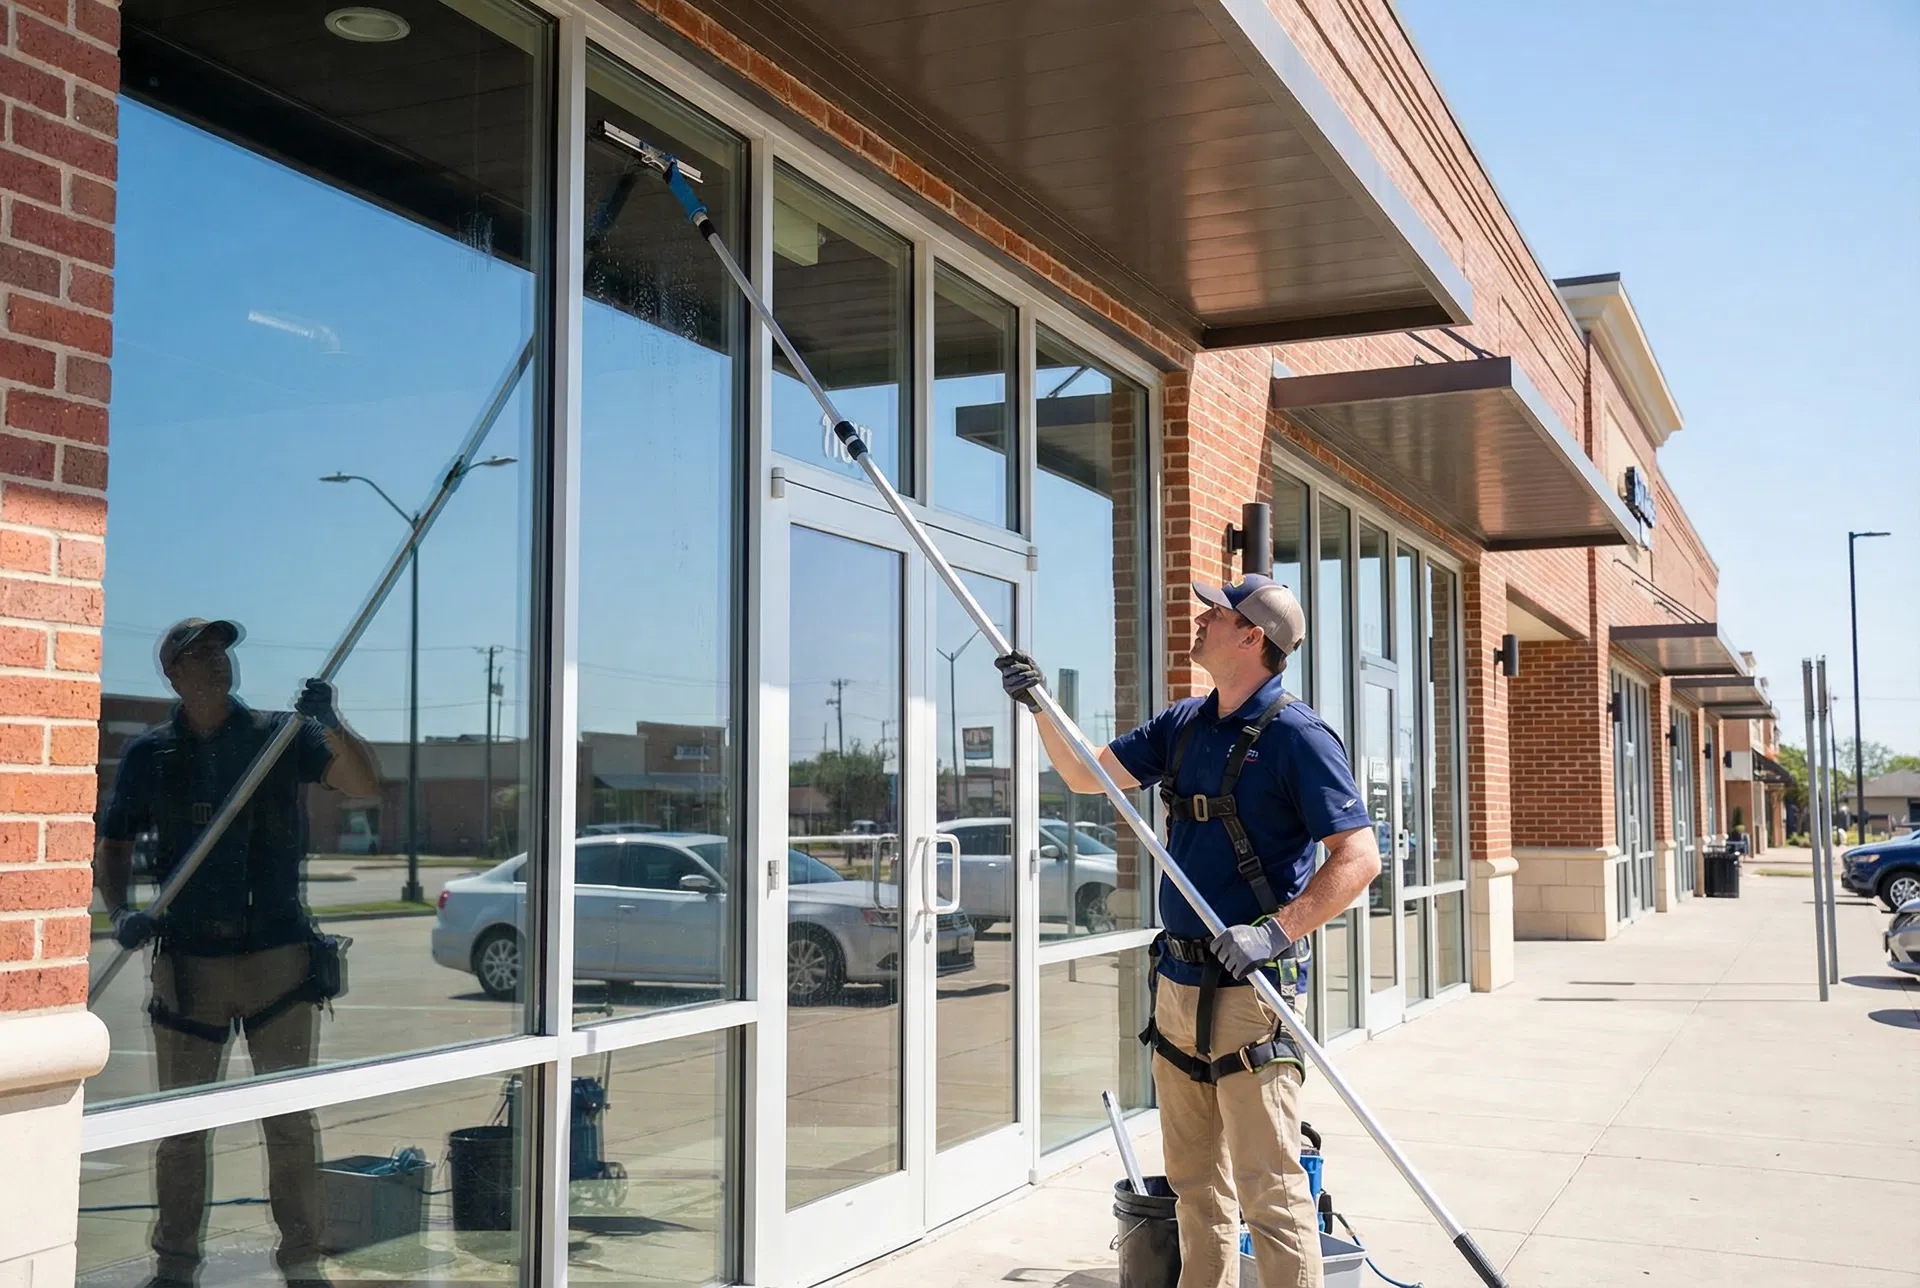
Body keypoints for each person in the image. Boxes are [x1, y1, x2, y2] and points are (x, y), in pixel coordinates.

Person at [998, 574, 1380, 1288]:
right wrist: (1038, 705)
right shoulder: (1183, 725)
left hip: (1251, 993)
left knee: (1269, 1188)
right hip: (1177, 985)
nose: (1201, 618)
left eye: (1219, 611)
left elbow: (1359, 857)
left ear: (1252, 637)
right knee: (1195, 1186)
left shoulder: (1299, 738)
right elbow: (1088, 775)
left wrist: (1274, 932)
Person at [95, 618, 384, 1288]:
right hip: (187, 968)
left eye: (222, 651)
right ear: (173, 673)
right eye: (199, 654)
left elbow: (365, 785)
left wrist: (331, 723)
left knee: (287, 1120)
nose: (216, 662)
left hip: (277, 961)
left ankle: (302, 1260)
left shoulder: (279, 738)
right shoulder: (152, 756)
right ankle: (174, 1265)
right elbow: (112, 846)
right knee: (182, 1128)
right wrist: (122, 913)